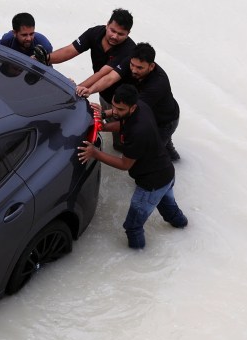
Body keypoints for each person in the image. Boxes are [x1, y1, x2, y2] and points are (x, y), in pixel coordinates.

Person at [77, 84, 187, 249]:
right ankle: (186, 229)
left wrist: (95, 153)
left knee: (132, 227)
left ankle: (139, 257)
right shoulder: (140, 107)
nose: (114, 111)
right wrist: (104, 125)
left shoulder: (138, 132)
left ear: (132, 107)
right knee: (170, 211)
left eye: (120, 109)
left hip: (151, 185)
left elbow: (124, 164)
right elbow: (123, 124)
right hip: (166, 173)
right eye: (113, 106)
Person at [49, 8, 136, 106]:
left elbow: (103, 75)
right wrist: (45, 58)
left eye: (120, 34)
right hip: (103, 94)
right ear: (107, 24)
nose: (114, 36)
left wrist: (75, 90)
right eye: (112, 31)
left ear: (128, 34)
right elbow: (69, 51)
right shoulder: (95, 32)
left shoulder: (129, 50)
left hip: (123, 104)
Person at [125, 43, 181, 161]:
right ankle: (177, 161)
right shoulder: (137, 65)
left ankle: (174, 165)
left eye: (139, 68)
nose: (134, 70)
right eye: (132, 65)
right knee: (166, 148)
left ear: (151, 66)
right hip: (160, 112)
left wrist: (105, 114)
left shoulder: (157, 84)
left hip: (165, 122)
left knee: (152, 155)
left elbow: (133, 108)